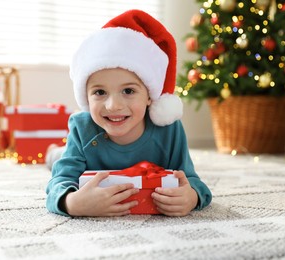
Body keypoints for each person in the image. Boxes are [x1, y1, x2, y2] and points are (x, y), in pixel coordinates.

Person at [46, 9, 212, 217]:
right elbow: (59, 182)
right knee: (58, 159)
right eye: (99, 92)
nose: (113, 105)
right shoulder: (82, 128)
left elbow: (193, 180)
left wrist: (192, 197)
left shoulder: (169, 129)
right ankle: (53, 153)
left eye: (128, 91)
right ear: (86, 97)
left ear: (150, 95)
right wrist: (71, 203)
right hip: (74, 154)